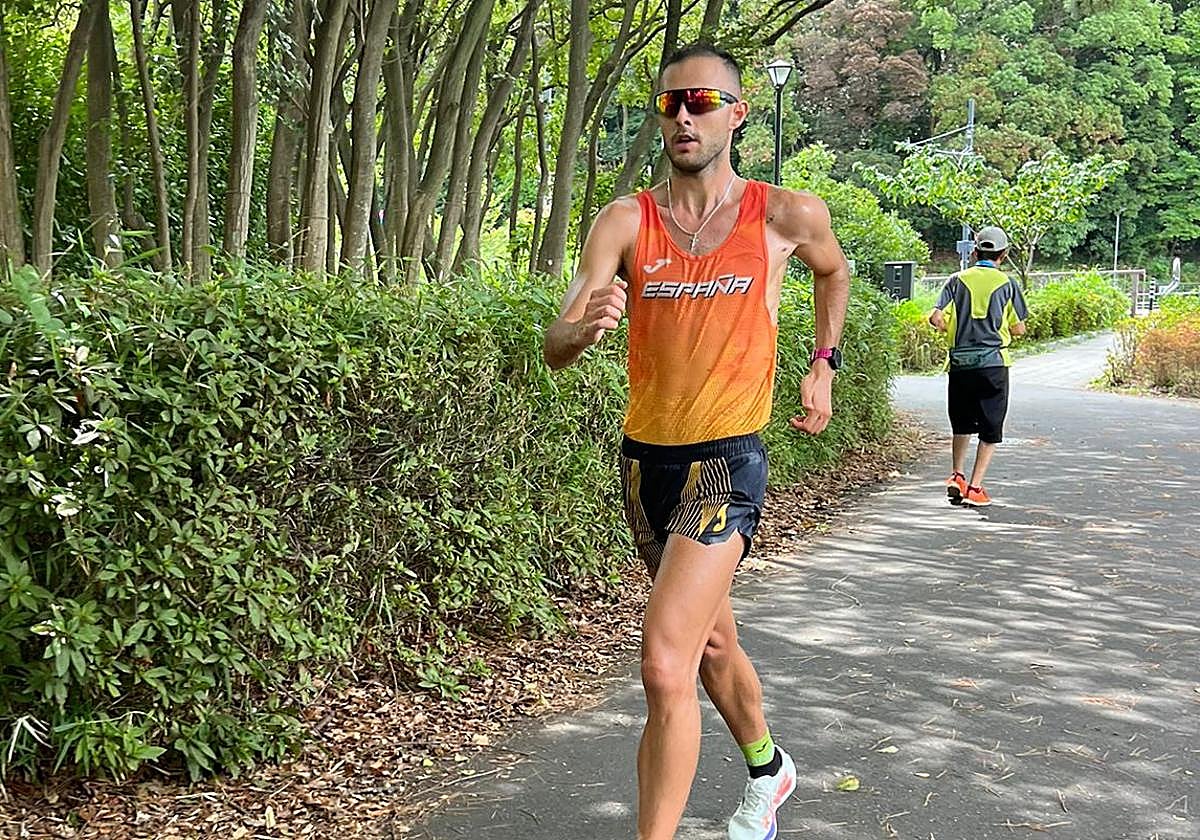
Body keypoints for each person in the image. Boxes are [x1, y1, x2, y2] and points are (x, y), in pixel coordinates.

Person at [543, 42, 851, 840]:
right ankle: (769, 769)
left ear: (737, 115)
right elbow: (555, 342)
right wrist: (584, 328)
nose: (684, 116)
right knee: (709, 642)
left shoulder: (784, 215)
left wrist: (823, 364)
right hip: (645, 465)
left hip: (726, 461)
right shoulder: (626, 220)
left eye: (703, 102)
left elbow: (834, 272)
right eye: (671, 103)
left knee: (663, 660)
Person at [928, 226, 1028, 507]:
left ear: (974, 252)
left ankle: (956, 476)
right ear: (1003, 255)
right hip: (994, 364)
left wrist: (950, 328)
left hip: (960, 364)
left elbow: (935, 318)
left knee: (961, 423)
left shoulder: (955, 280)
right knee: (990, 428)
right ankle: (975, 488)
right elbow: (1019, 327)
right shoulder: (1008, 284)